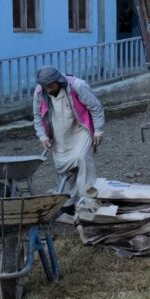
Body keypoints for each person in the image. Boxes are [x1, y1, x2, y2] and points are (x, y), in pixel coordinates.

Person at [32, 66, 104, 202]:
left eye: (50, 85)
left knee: (82, 158)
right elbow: (37, 116)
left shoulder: (77, 86)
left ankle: (87, 198)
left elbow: (96, 107)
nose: (48, 89)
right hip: (59, 135)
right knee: (64, 168)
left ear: (58, 80)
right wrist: (42, 136)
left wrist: (98, 130)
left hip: (80, 130)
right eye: (45, 86)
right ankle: (69, 200)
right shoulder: (40, 92)